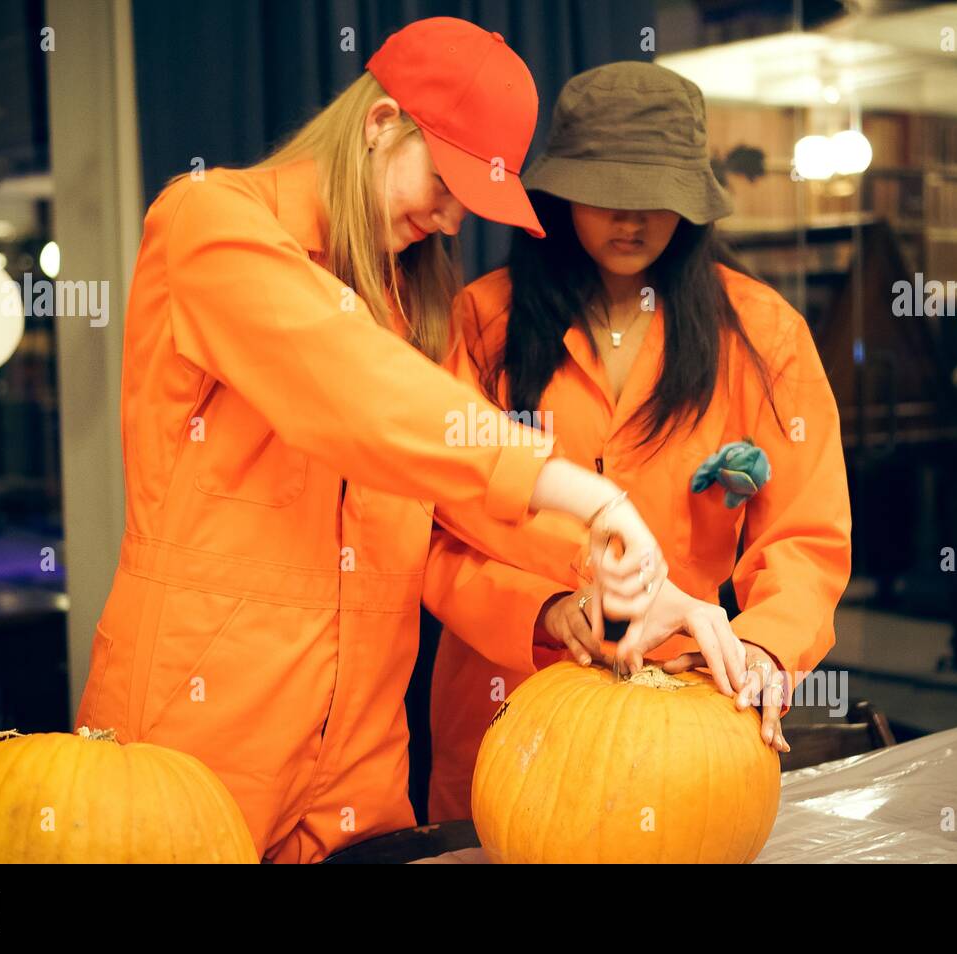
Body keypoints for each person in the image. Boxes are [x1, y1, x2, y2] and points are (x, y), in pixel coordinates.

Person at [73, 19, 666, 863]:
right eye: (448, 183)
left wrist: (604, 568)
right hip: (199, 740)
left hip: (361, 768)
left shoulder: (410, 304)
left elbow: (462, 491)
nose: (454, 221)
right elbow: (354, 393)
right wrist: (591, 492)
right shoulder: (210, 223)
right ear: (382, 122)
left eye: (475, 201)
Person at [424, 61, 852, 823]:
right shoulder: (481, 324)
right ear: (558, 193)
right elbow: (434, 532)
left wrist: (762, 648)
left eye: (658, 199)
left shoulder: (763, 335)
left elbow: (806, 537)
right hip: (504, 709)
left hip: (682, 726)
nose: (633, 221)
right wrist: (549, 606)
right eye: (607, 196)